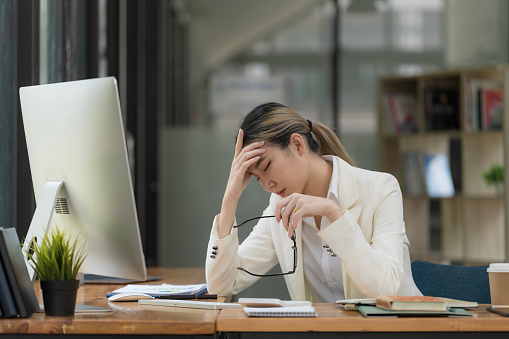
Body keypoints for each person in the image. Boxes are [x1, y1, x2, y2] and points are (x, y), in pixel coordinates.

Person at [205, 102, 422, 302]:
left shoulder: (381, 189)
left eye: (266, 166)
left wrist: (333, 214)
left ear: (297, 145)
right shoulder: (279, 209)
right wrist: (229, 200)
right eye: (256, 178)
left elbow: (385, 291)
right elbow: (221, 285)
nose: (266, 185)